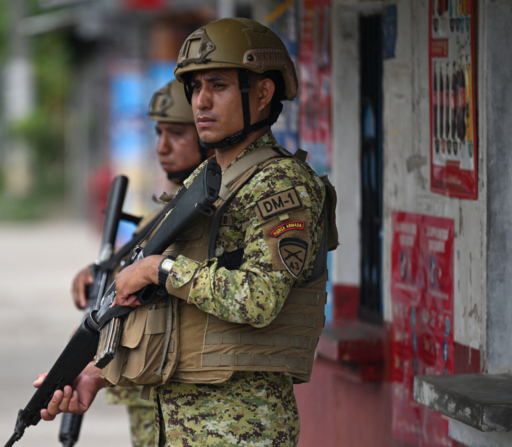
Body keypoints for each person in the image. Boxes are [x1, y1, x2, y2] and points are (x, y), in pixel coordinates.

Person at [36, 18, 337, 447]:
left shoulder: (282, 183)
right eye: (195, 88)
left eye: (218, 86)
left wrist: (159, 269)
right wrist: (97, 375)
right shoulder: (209, 178)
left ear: (264, 92)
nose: (202, 102)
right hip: (176, 426)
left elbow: (259, 299)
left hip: (240, 430)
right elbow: (174, 317)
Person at [70, 79, 209, 447]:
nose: (162, 147)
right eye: (159, 133)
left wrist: (149, 271)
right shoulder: (170, 208)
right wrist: (101, 276)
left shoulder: (208, 214)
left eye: (177, 134)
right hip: (149, 388)